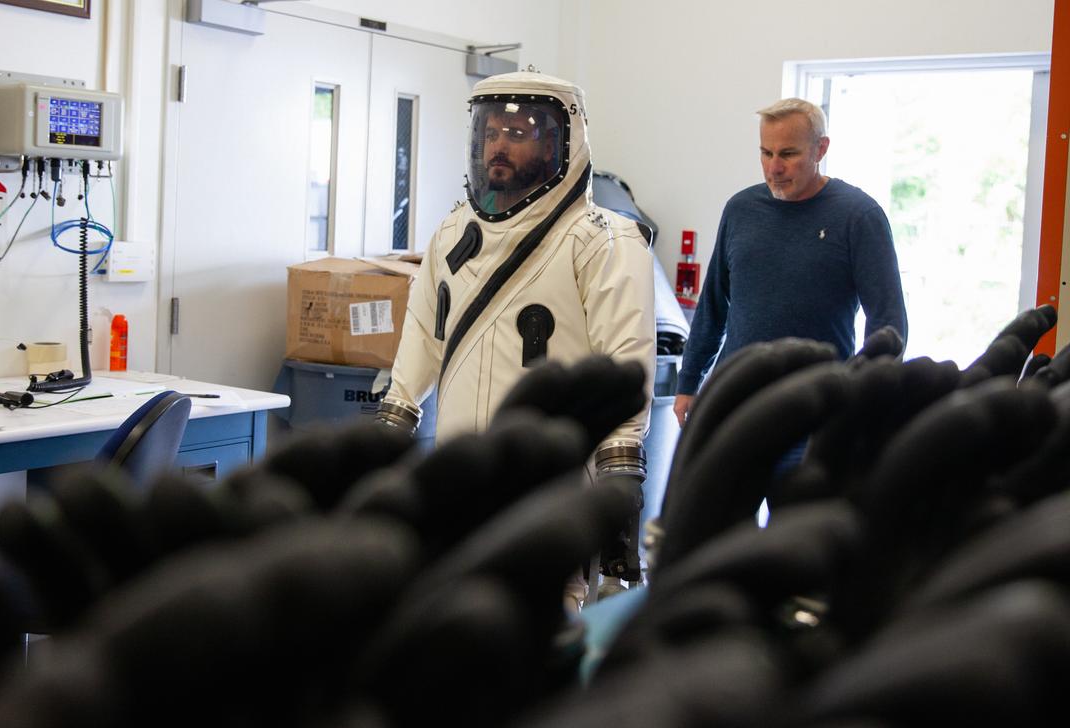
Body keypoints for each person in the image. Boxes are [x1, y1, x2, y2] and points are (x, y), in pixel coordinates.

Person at [374, 71, 657, 601]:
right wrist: (388, 432)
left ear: (558, 143)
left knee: (546, 622)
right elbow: (420, 340)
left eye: (520, 132)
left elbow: (626, 367)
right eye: (491, 131)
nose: (499, 145)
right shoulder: (455, 232)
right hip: (463, 478)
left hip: (552, 488)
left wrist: (621, 501)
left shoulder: (601, 239)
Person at [674, 97, 908, 428]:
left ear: (820, 149)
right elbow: (713, 306)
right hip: (734, 400)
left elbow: (888, 322)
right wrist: (688, 382)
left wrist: (868, 398)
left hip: (818, 408)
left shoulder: (859, 216)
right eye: (765, 153)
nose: (774, 168)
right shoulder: (740, 210)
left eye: (788, 154)